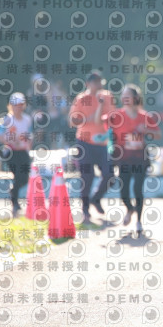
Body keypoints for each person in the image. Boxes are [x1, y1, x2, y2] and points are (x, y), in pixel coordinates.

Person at [105, 84, 160, 236]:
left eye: (127, 95)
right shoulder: (116, 116)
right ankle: (130, 209)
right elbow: (104, 129)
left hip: (140, 158)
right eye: (123, 95)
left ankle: (139, 222)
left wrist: (145, 130)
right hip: (124, 159)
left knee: (137, 189)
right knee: (123, 191)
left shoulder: (144, 116)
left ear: (135, 98)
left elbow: (158, 134)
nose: (124, 98)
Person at [69, 72, 116, 225]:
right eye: (94, 82)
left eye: (99, 81)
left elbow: (112, 116)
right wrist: (89, 119)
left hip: (102, 143)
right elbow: (73, 120)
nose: (98, 84)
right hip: (85, 142)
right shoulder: (81, 98)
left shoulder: (107, 96)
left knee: (110, 174)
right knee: (87, 176)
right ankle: (85, 209)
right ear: (87, 84)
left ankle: (96, 198)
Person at [0, 92, 32, 217]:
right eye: (16, 105)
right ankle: (15, 203)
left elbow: (29, 135)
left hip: (23, 151)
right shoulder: (7, 120)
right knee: (17, 175)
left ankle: (13, 192)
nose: (18, 107)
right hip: (11, 151)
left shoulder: (27, 119)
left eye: (21, 105)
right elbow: (0, 135)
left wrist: (27, 144)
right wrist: (12, 141)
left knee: (25, 178)